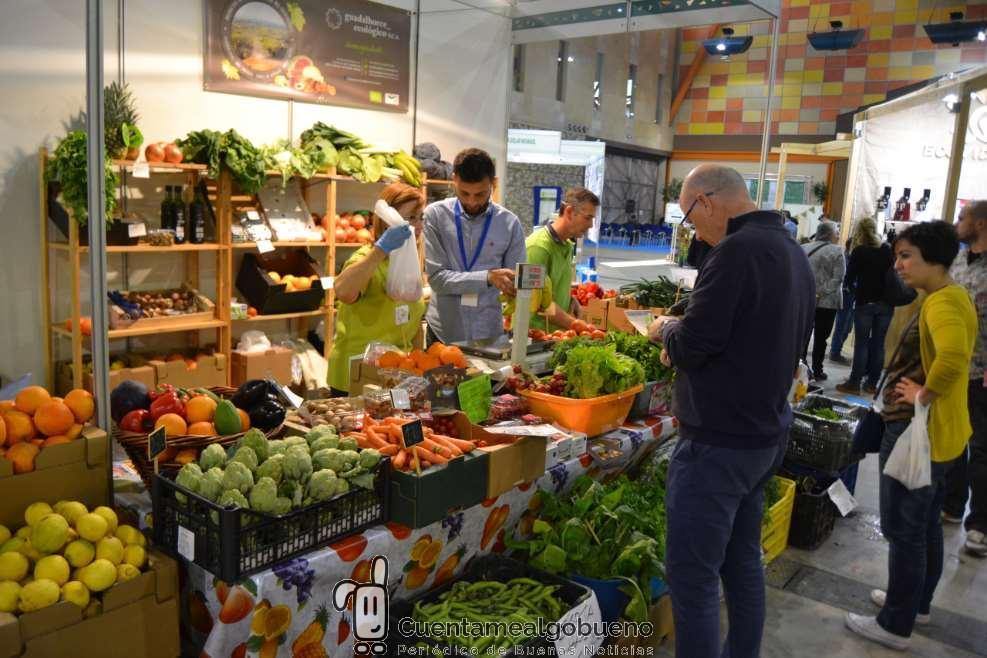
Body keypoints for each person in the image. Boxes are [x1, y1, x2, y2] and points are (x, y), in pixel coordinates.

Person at [648, 165, 814, 658]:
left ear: (706, 201)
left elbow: (694, 344)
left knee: (693, 578)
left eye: (689, 219)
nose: (694, 232)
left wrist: (665, 331)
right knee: (741, 563)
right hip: (763, 435)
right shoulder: (791, 250)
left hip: (718, 442)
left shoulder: (736, 252)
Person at [845, 221, 976, 651]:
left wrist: (924, 393)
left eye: (906, 257)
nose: (898, 265)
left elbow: (953, 358)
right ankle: (915, 605)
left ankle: (894, 624)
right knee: (925, 526)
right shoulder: (950, 295)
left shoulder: (942, 302)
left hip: (916, 433)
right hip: (941, 433)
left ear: (933, 260)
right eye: (897, 256)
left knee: (904, 530)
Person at [328, 183, 426, 395]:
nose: (418, 226)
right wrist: (381, 249)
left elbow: (415, 321)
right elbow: (343, 291)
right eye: (410, 218)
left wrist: (420, 365)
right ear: (387, 220)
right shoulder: (366, 258)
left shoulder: (407, 261)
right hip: (358, 376)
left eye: (421, 217)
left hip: (396, 375)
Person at [424, 148, 526, 344]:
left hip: (488, 332)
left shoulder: (509, 223)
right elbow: (437, 279)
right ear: (454, 179)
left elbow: (516, 279)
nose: (471, 201)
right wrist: (488, 277)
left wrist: (518, 287)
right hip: (443, 332)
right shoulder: (435, 216)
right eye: (464, 193)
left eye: (480, 194)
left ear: (493, 184)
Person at [943, 200, 987, 555]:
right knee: (954, 442)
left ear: (981, 224)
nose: (957, 223)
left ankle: (980, 525)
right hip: (953, 367)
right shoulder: (957, 259)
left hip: (982, 372)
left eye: (962, 218)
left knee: (982, 449)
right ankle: (953, 505)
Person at [525, 187, 598, 331]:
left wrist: (571, 300)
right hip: (534, 336)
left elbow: (553, 288)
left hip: (556, 335)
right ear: (569, 212)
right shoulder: (538, 247)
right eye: (588, 218)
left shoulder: (567, 246)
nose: (590, 225)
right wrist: (576, 325)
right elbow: (538, 303)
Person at [836, 218, 894, 395]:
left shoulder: (860, 251)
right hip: (886, 303)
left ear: (859, 231)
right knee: (879, 343)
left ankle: (854, 383)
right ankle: (871, 384)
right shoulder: (886, 249)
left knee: (861, 344)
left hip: (865, 302)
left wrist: (853, 289)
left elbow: (849, 277)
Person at [801, 220, 846, 381]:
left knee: (803, 335)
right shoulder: (837, 251)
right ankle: (818, 370)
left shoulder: (803, 248)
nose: (838, 235)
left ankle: (801, 367)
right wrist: (821, 292)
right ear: (829, 234)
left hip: (806, 299)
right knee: (821, 338)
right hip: (828, 302)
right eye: (836, 232)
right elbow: (838, 277)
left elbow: (799, 273)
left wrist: (812, 292)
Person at [829, 236, 855, 365]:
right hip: (846, 295)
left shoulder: (851, 258)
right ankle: (835, 352)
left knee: (847, 326)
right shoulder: (844, 258)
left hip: (852, 296)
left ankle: (836, 350)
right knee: (842, 325)